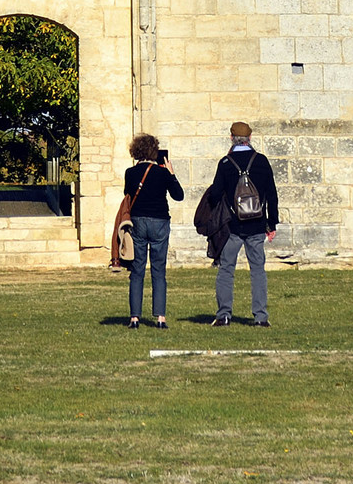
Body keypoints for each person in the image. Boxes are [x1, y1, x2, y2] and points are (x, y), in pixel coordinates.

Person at [201, 122, 278, 326]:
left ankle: (224, 315)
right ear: (250, 138)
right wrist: (272, 223)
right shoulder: (261, 161)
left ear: (231, 138)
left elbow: (216, 194)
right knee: (258, 270)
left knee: (226, 269)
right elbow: (272, 194)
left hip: (232, 226)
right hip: (257, 225)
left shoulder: (226, 163)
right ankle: (261, 317)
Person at [110, 131, 184, 329]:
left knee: (137, 270)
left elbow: (128, 194)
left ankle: (135, 318)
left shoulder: (130, 173)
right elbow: (179, 196)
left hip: (138, 221)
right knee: (159, 271)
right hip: (160, 221)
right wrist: (171, 173)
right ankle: (160, 318)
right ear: (154, 151)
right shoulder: (162, 173)